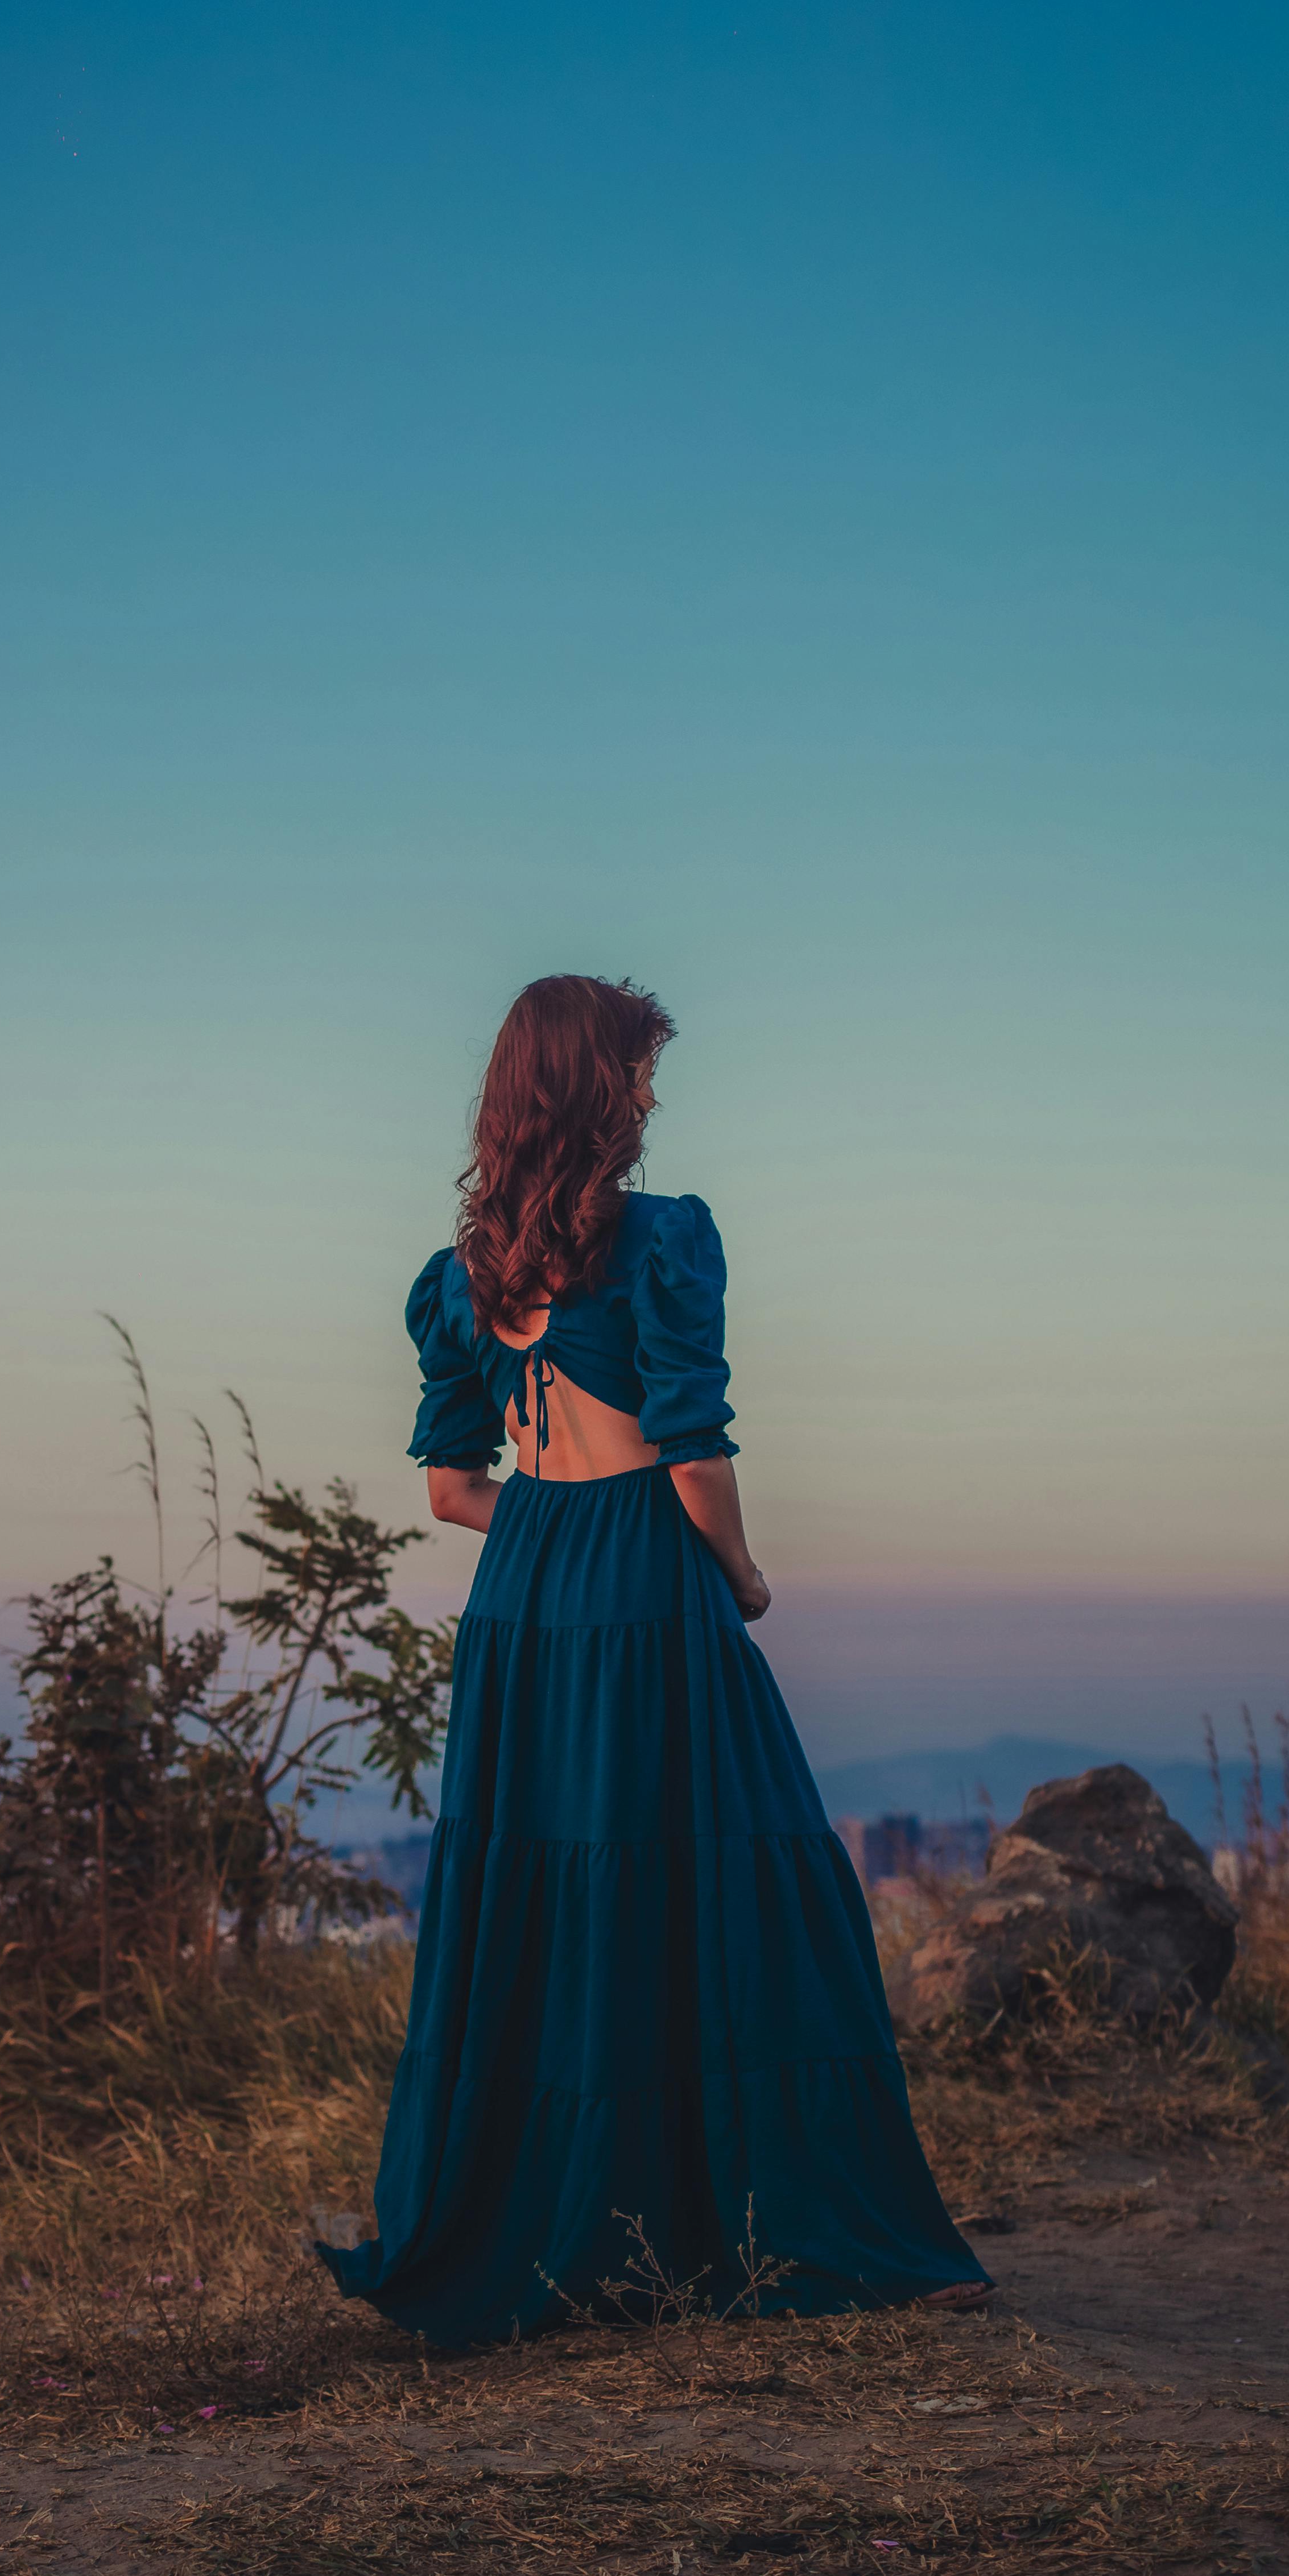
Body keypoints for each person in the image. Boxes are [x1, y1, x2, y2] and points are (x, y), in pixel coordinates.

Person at [319, 975, 989, 2343]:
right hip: (644, 1578)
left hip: (525, 1593)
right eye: (635, 1071)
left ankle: (542, 2216)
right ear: (589, 1088)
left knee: (551, 1889)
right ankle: (707, 2213)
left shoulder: (458, 1281)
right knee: (732, 1881)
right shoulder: (666, 1240)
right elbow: (692, 1452)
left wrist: (553, 1530)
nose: (649, 1095)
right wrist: (736, 1572)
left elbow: (451, 1488)